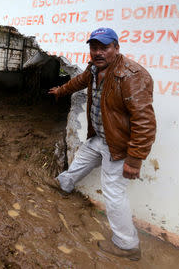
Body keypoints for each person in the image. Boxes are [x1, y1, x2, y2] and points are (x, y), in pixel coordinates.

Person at [48, 27, 156, 261]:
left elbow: (145, 122)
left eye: (104, 47)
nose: (98, 52)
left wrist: (135, 159)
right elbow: (79, 82)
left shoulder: (131, 76)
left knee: (113, 193)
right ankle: (64, 184)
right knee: (82, 159)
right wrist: (61, 90)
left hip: (119, 146)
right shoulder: (95, 69)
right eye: (94, 47)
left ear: (116, 48)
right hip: (100, 138)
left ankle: (127, 245)